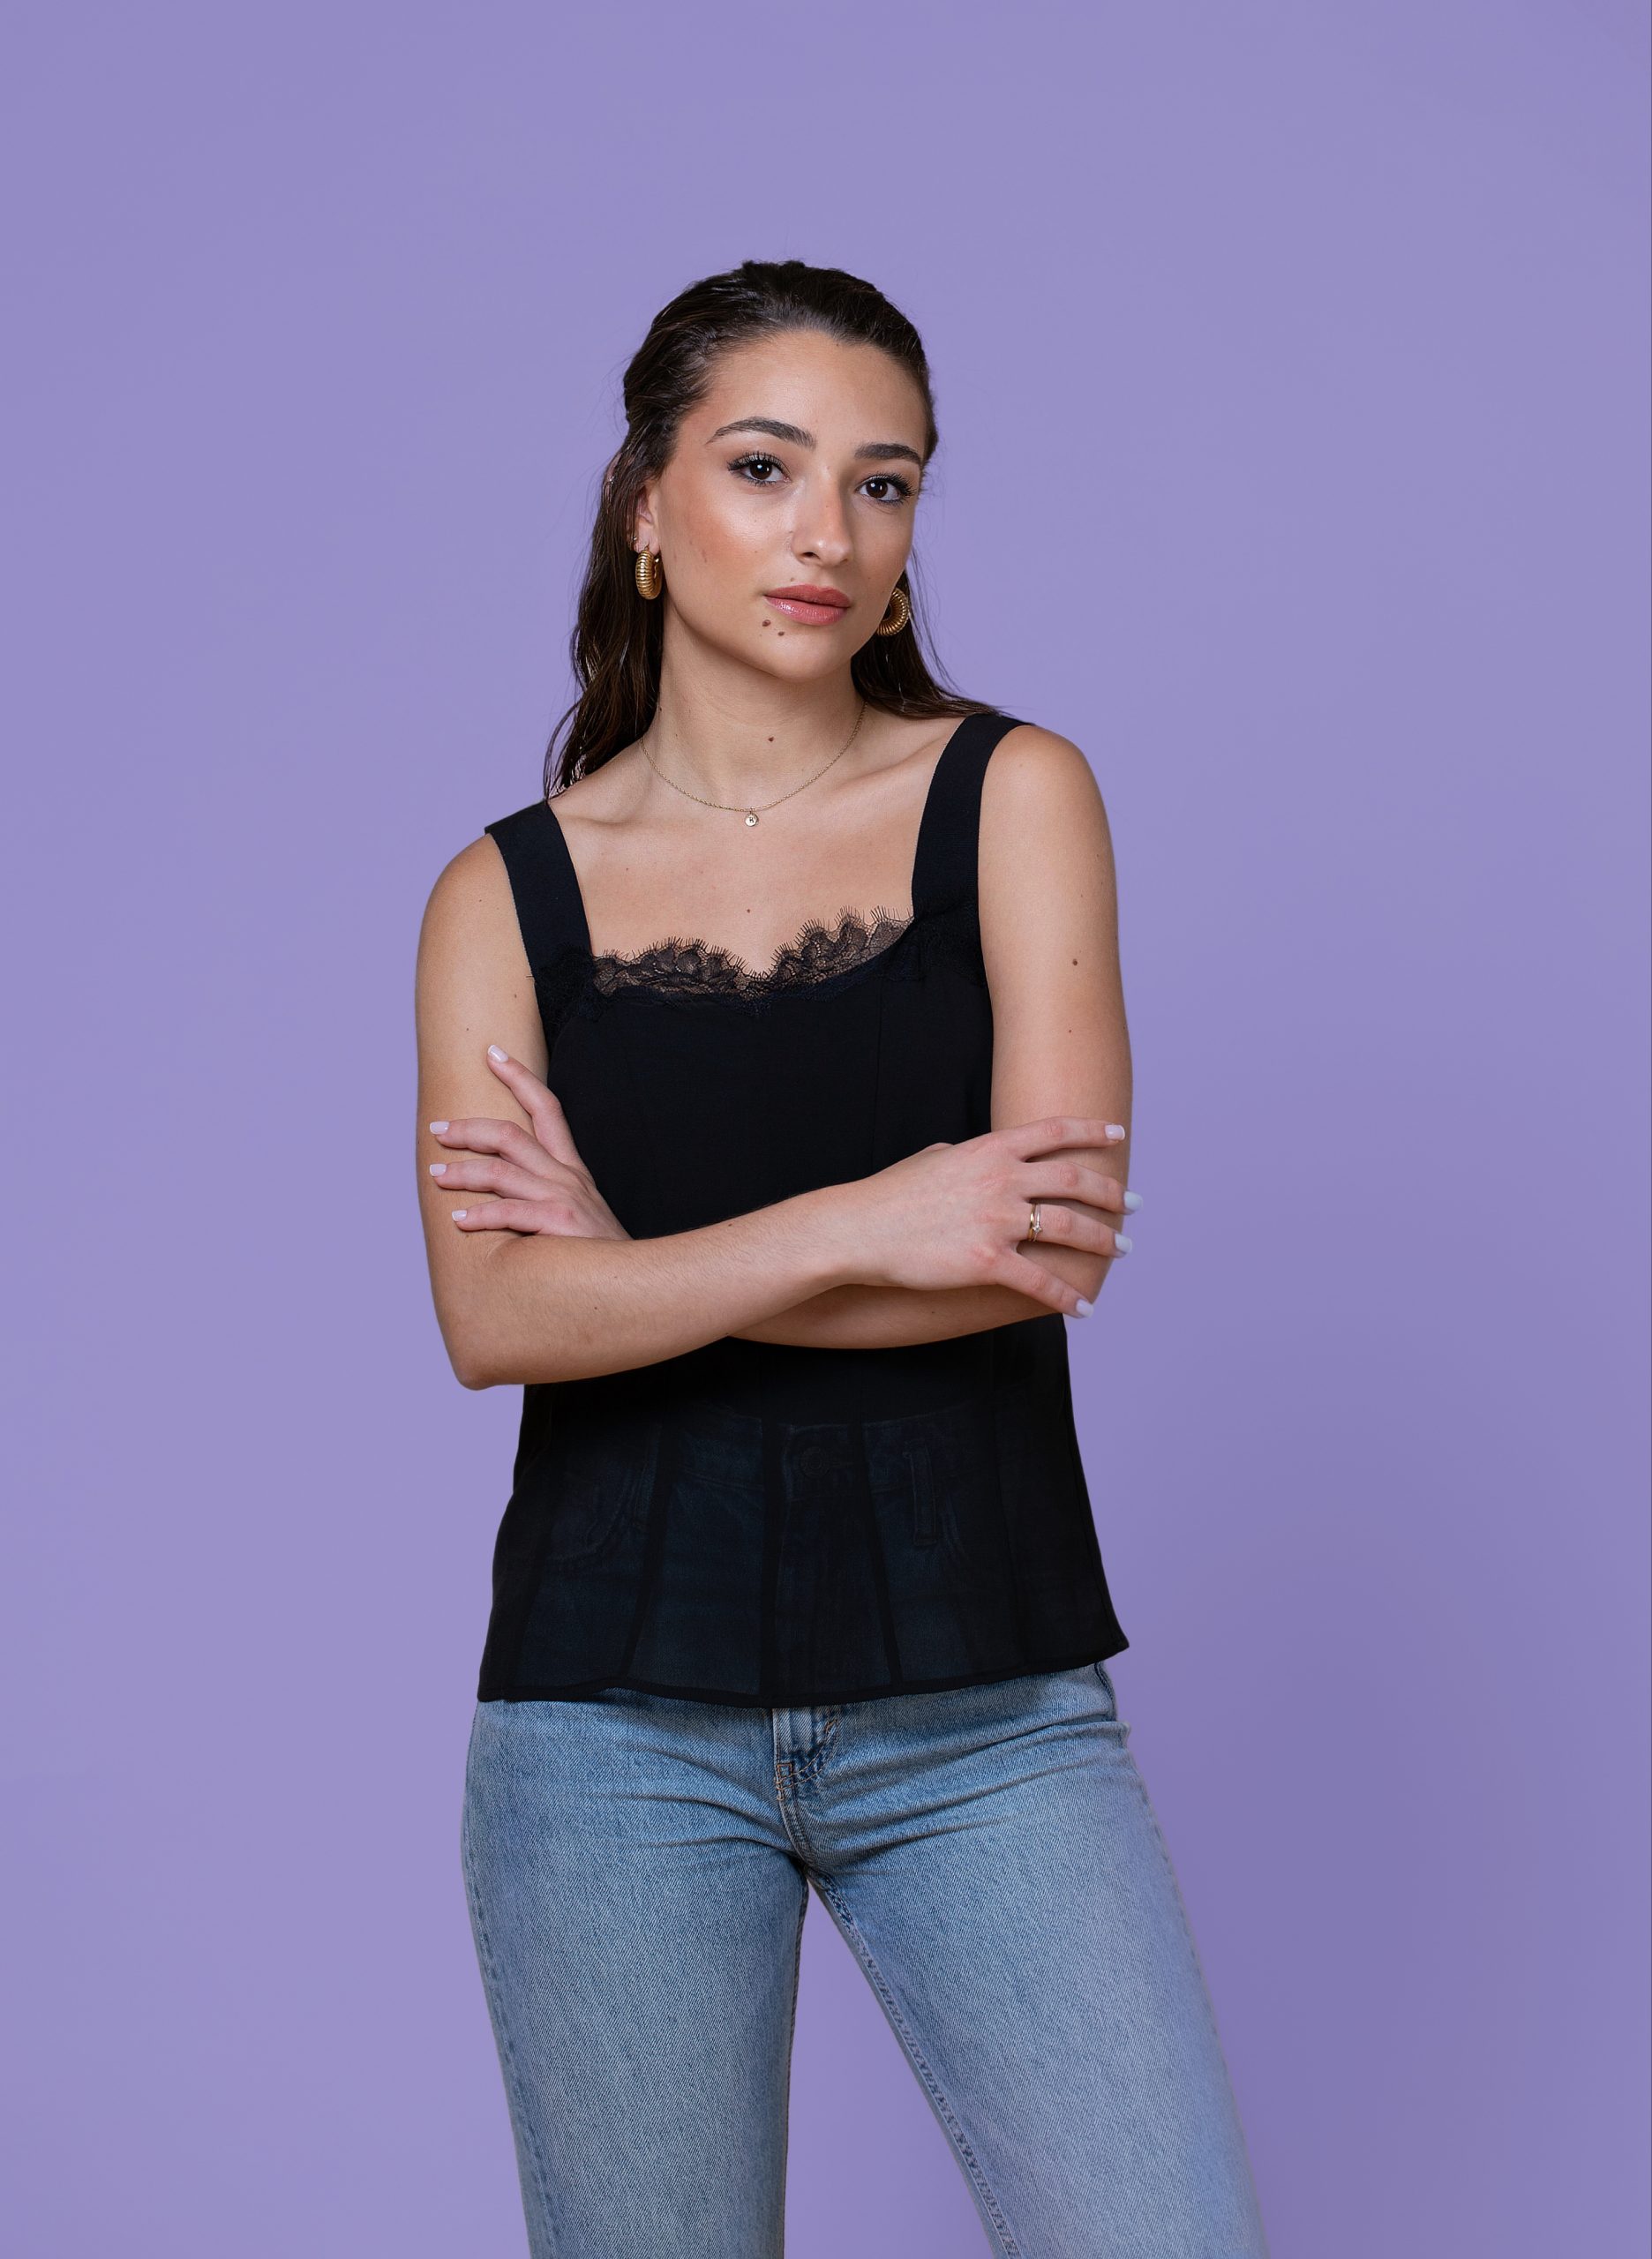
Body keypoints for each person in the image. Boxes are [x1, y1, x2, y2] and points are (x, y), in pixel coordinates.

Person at [414, 259, 1270, 2259]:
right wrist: (868, 1218)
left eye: (884, 484)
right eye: (766, 467)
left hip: (988, 1714)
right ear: (646, 502)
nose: (829, 530)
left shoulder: (1012, 794)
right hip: (605, 1734)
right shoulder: (501, 897)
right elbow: (499, 1316)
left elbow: (1041, 1247)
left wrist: (644, 1277)